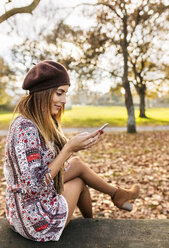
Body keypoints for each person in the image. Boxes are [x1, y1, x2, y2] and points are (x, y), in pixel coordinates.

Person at [4, 60, 139, 242]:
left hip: (22, 209)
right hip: (35, 221)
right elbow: (33, 186)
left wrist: (76, 144)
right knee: (80, 182)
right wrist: (68, 148)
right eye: (59, 93)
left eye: (66, 93)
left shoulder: (36, 121)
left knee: (76, 165)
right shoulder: (25, 128)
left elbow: (45, 163)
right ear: (43, 91)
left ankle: (117, 195)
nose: (64, 100)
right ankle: (93, 227)